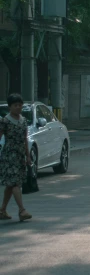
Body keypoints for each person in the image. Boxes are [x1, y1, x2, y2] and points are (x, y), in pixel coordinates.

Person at [0, 93, 33, 221]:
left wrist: (28, 155)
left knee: (10, 185)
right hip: (9, 155)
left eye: (20, 105)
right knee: (15, 184)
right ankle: (22, 210)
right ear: (10, 107)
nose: (18, 107)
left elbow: (25, 139)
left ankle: (2, 210)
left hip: (20, 155)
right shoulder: (5, 121)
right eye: (15, 105)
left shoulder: (23, 120)